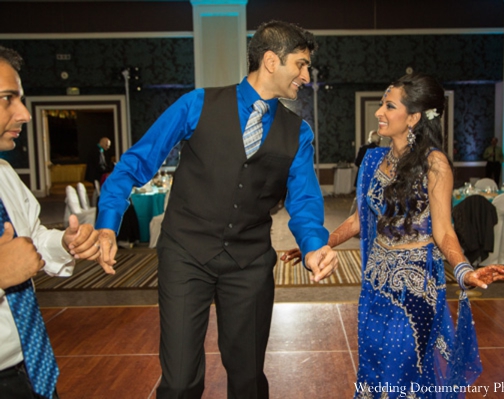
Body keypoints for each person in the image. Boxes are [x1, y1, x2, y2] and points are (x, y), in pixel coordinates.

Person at [95, 21, 338, 399]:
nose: (306, 76)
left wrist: (313, 245)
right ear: (272, 61)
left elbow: (304, 199)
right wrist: (109, 223)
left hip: (250, 263)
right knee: (178, 381)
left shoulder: (298, 132)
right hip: (185, 254)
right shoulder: (196, 104)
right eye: (301, 65)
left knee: (247, 378)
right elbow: (135, 163)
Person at [286, 73, 504, 398]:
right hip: (375, 287)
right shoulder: (374, 161)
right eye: (381, 103)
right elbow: (357, 220)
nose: (379, 112)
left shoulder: (435, 164)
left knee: (403, 372)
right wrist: (317, 245)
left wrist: (464, 270)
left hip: (413, 291)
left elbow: (444, 230)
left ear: (415, 117)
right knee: (374, 370)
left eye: (389, 105)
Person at [0, 46, 101, 399]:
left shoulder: (5, 175)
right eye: (7, 99)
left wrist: (64, 243)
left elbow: (32, 237)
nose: (24, 114)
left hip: (29, 361)